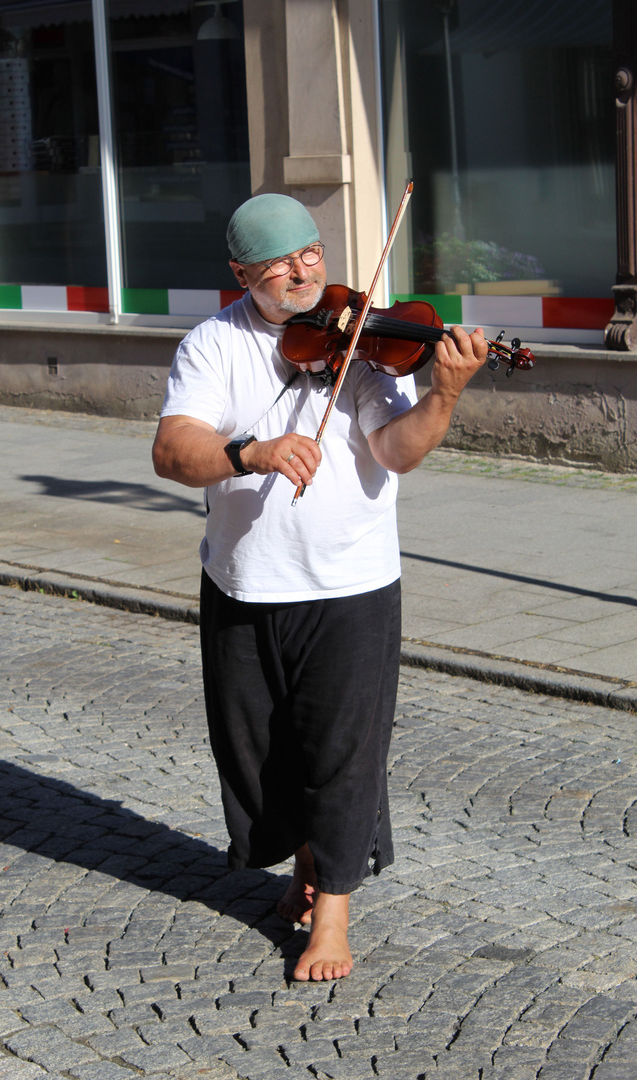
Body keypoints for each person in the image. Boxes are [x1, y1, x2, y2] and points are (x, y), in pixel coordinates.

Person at [152, 193, 487, 982]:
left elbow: (397, 450)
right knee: (259, 752)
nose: (305, 273)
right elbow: (173, 450)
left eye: (313, 255)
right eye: (281, 264)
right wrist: (252, 452)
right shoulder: (213, 344)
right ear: (241, 274)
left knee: (344, 751)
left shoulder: (368, 346)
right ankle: (307, 858)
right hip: (242, 583)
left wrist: (444, 392)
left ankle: (333, 909)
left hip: (351, 581)